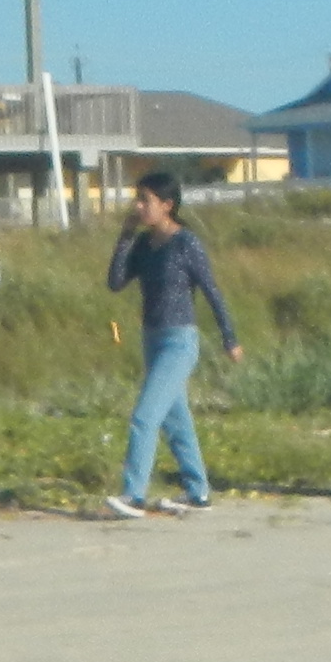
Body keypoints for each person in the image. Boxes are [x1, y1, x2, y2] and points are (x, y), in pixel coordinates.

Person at [98, 170, 240, 517]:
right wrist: (126, 234)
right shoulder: (145, 245)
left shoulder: (186, 243)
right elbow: (116, 282)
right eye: (138, 199)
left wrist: (229, 338)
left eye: (145, 200)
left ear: (167, 205)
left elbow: (212, 291)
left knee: (145, 416)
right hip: (152, 340)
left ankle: (134, 495)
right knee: (177, 421)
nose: (138, 206)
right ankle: (198, 493)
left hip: (180, 341)